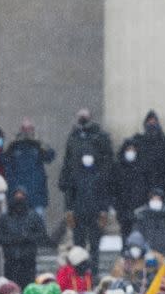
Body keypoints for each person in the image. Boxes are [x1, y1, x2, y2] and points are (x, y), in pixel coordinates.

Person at [60, 147, 111, 275]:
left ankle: (94, 272)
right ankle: (80, 272)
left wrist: (104, 211)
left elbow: (104, 194)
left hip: (95, 215)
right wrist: (69, 211)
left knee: (94, 246)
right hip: (78, 215)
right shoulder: (75, 175)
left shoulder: (99, 175)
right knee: (79, 246)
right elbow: (69, 194)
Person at [1, 118, 55, 220]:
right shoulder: (15, 146)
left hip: (36, 195)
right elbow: (3, 160)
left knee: (38, 226)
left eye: (29, 128)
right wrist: (10, 145)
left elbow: (50, 156)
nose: (26, 131)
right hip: (18, 196)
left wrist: (40, 143)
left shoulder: (38, 145)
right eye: (24, 128)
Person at [0, 187, 47, 289]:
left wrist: (27, 238)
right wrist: (10, 239)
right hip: (10, 261)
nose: (19, 199)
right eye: (17, 196)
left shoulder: (33, 216)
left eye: (22, 196)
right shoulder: (5, 218)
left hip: (28, 262)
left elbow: (42, 236)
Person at [60, 108, 113, 195]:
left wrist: (103, 177)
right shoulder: (73, 137)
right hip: (77, 183)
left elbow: (107, 158)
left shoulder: (100, 136)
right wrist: (64, 179)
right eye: (80, 117)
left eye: (84, 117)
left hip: (95, 181)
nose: (82, 119)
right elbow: (67, 159)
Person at [112, 139, 149, 241]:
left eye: (133, 150)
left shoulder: (142, 167)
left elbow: (147, 186)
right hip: (123, 208)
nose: (131, 152)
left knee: (140, 236)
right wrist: (117, 205)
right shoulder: (118, 167)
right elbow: (113, 187)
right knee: (126, 236)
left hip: (139, 207)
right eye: (128, 149)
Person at [133, 189, 165, 265]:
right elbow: (137, 234)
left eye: (158, 198)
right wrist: (137, 248)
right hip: (146, 254)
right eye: (153, 198)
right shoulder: (142, 216)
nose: (155, 201)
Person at [132, 110, 165, 193]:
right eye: (149, 122)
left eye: (154, 121)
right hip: (143, 183)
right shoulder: (139, 141)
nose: (151, 124)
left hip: (161, 182)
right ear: (145, 124)